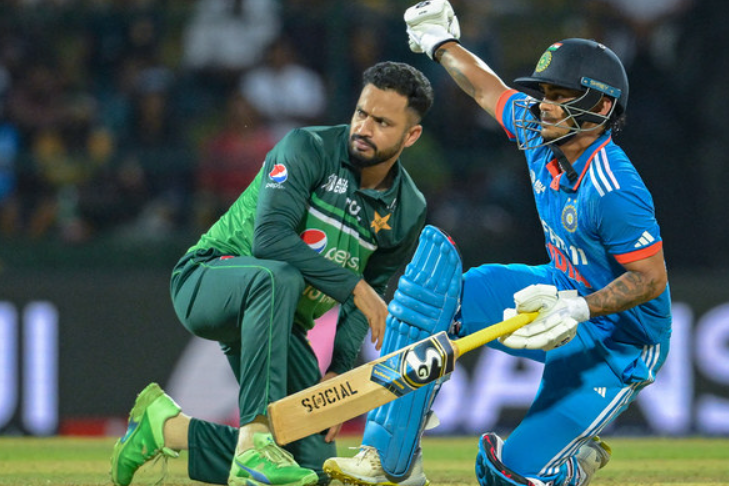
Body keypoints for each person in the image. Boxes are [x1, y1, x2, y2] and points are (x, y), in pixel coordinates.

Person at [323, 2, 672, 486]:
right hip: (559, 289)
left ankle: (574, 462)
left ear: (600, 107)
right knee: (435, 298)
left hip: (620, 343)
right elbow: (486, 87)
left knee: (508, 476)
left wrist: (581, 309)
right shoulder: (537, 132)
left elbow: (651, 279)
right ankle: (390, 459)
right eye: (545, 93)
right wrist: (442, 44)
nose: (544, 105)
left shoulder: (615, 189)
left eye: (560, 95)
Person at [109, 61, 435, 486]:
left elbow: (369, 298)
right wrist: (353, 286)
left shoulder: (408, 209)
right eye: (361, 113)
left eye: (382, 123)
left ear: (411, 136)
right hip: (208, 278)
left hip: (281, 326)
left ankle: (164, 428)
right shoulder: (307, 147)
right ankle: (255, 442)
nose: (363, 128)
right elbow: (270, 239)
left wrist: (338, 372)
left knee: (315, 470)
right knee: (277, 276)